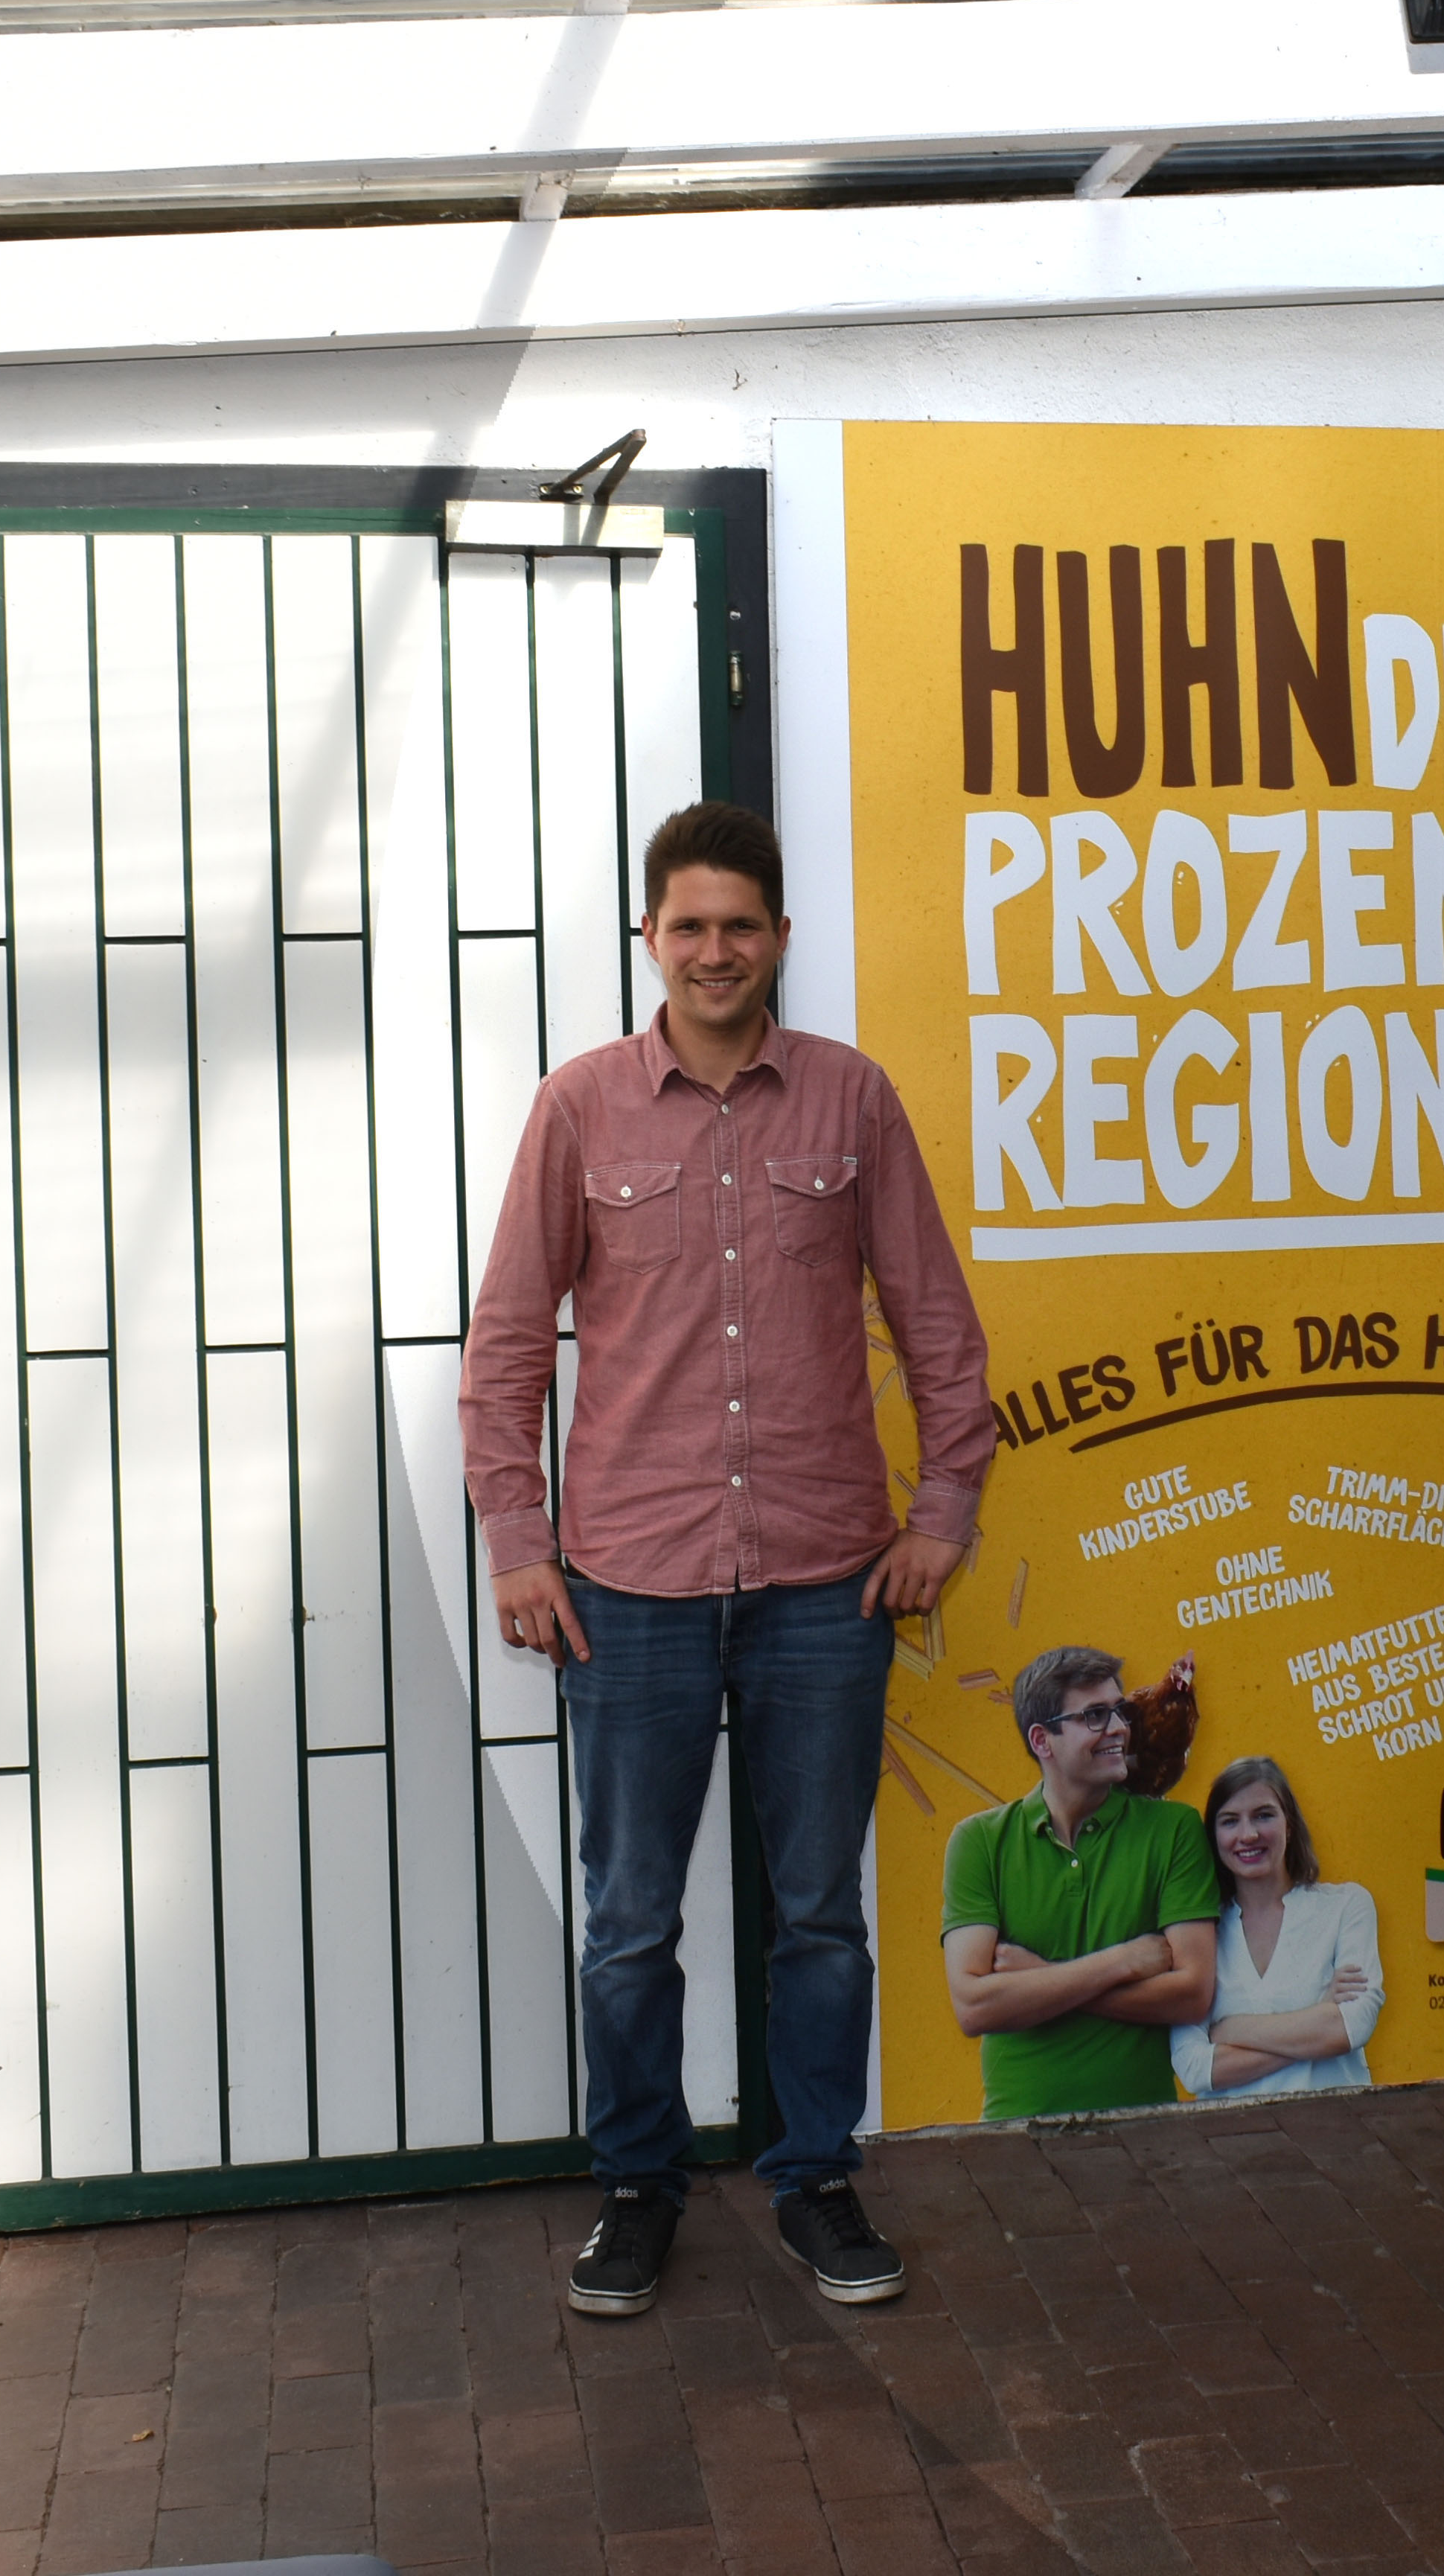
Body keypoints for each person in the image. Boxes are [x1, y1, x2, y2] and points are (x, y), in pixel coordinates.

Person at [466, 801, 994, 2318]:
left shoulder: (852, 1098)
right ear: (650, 937)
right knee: (631, 1918)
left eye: (740, 924)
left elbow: (937, 1323)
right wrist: (518, 1542)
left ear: (780, 937)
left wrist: (943, 1514)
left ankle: (815, 2174)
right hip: (626, 1584)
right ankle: (637, 2184)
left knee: (818, 1910)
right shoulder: (579, 1108)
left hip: (824, 1580)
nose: (715, 950)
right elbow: (507, 1346)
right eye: (688, 924)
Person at [939, 1646, 1221, 2118]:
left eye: (1119, 1710)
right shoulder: (979, 1842)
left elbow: (1192, 1996)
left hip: (1151, 2132)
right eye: (1094, 1716)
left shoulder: (1175, 1830)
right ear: (1042, 1740)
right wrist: (1123, 1961)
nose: (1119, 1728)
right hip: (1016, 2135)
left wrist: (1038, 1976)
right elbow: (974, 2007)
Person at [1170, 1755, 1381, 2100]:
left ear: (1290, 1824)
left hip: (1339, 2126)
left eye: (1264, 1815)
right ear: (1213, 1836)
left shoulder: (1347, 1907)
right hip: (1233, 2132)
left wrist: (1228, 2030)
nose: (1248, 1834)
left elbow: (1350, 2028)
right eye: (1230, 1821)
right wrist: (1317, 2020)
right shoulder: (1197, 1933)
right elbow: (1195, 2069)